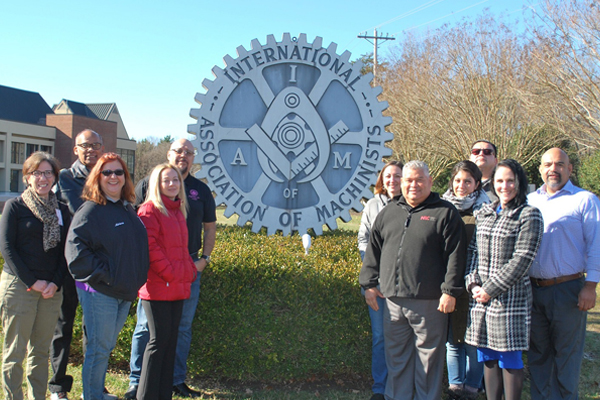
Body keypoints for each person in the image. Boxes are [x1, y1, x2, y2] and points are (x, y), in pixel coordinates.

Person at [359, 160, 467, 400]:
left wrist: (450, 291)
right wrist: (368, 283)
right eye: (408, 180)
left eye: (419, 180)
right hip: (393, 302)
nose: (413, 185)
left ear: (429, 181)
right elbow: (373, 250)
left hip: (429, 302)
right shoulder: (389, 211)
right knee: (396, 358)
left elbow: (456, 256)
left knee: (428, 362)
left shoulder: (445, 213)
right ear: (401, 183)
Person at [125, 139, 217, 399]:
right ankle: (137, 382)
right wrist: (173, 271)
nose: (184, 155)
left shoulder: (193, 195)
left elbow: (209, 227)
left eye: (189, 152)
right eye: (179, 151)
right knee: (148, 331)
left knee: (180, 330)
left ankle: (173, 382)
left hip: (186, 269)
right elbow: (145, 238)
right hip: (158, 275)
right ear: (169, 154)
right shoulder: (149, 192)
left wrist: (202, 261)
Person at [65, 153, 149, 400]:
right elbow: (75, 253)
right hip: (100, 292)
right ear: (97, 178)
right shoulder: (90, 210)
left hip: (123, 292)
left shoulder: (126, 209)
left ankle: (96, 393)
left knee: (105, 348)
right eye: (107, 172)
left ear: (125, 178)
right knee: (98, 349)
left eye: (118, 172)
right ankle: (91, 396)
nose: (113, 177)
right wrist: (107, 276)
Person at [465, 159, 543, 400]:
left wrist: (489, 289)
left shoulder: (529, 215)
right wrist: (474, 284)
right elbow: (473, 252)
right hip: (481, 301)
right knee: (487, 356)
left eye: (510, 181)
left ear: (519, 183)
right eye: (500, 180)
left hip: (510, 300)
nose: (505, 186)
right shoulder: (484, 213)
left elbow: (523, 259)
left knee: (509, 358)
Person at [527, 148, 600, 400]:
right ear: (540, 169)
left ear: (570, 169)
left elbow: (596, 245)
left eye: (559, 164)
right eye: (547, 164)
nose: (553, 169)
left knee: (566, 356)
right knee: (538, 355)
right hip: (533, 289)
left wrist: (590, 286)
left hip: (568, 289)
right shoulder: (529, 201)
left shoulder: (585, 200)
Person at [0, 152, 70, 400]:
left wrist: (54, 282)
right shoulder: (15, 207)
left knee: (40, 351)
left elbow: (66, 252)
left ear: (55, 177)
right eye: (37, 173)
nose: (43, 178)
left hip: (51, 290)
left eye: (48, 172)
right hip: (20, 287)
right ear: (27, 178)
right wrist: (33, 282)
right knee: (15, 352)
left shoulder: (62, 210)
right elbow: (7, 249)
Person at [50, 129, 105, 400]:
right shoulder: (65, 178)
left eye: (96, 145)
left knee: (93, 328)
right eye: (86, 146)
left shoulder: (107, 175)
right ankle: (58, 386)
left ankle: (95, 384)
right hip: (69, 264)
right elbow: (77, 209)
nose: (91, 150)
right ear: (76, 150)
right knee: (64, 324)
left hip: (95, 264)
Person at [136, 164, 197, 400]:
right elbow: (150, 248)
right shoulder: (149, 210)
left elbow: (182, 250)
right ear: (156, 185)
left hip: (178, 287)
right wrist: (171, 273)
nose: (172, 184)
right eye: (166, 181)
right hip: (158, 288)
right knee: (157, 342)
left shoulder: (178, 210)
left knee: (170, 343)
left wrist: (189, 270)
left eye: (175, 180)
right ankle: (146, 395)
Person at [442, 161, 489, 400]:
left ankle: (472, 387)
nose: (462, 185)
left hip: (476, 285)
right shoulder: (441, 207)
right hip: (448, 285)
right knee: (453, 339)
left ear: (477, 184)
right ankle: (455, 386)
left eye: (468, 181)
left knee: (474, 339)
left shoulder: (485, 210)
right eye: (458, 180)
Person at [357, 160, 403, 400]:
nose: (392, 181)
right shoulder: (373, 205)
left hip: (404, 285)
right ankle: (380, 388)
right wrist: (372, 279)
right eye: (388, 177)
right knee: (380, 337)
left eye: (397, 176)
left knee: (403, 336)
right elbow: (363, 240)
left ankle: (401, 385)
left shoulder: (413, 205)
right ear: (381, 180)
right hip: (377, 284)